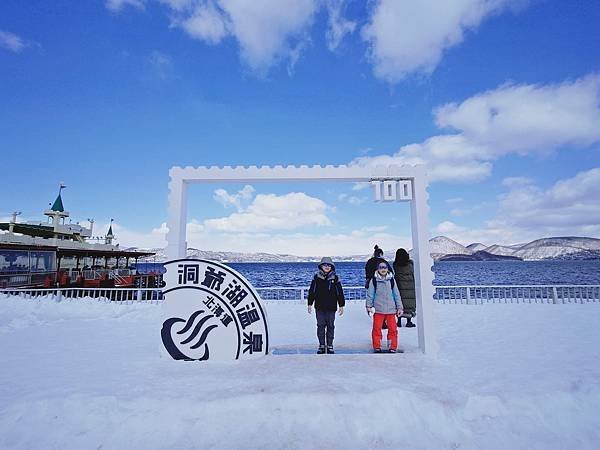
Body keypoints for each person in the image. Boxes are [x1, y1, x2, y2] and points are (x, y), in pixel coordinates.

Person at [307, 257, 345, 354]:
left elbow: (339, 292)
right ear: (321, 266)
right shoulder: (316, 278)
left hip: (331, 307)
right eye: (325, 265)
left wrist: (341, 305)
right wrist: (310, 303)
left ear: (332, 267)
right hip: (319, 307)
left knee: (330, 326)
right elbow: (312, 291)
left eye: (329, 265)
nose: (327, 267)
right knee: (320, 326)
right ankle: (322, 345)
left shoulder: (335, 278)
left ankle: (330, 345)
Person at [366, 262, 403, 353]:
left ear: (388, 268)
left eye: (385, 267)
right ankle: (377, 346)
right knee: (376, 329)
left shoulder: (392, 280)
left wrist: (399, 307)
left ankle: (392, 346)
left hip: (391, 310)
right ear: (378, 269)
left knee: (393, 329)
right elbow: (370, 294)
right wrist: (368, 306)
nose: (383, 269)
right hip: (378, 310)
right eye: (381, 267)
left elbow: (396, 294)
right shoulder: (374, 280)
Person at [393, 248, 416, 328]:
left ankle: (398, 321)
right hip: (410, 287)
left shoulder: (395, 265)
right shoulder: (410, 264)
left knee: (399, 302)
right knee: (409, 303)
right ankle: (409, 322)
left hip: (399, 286)